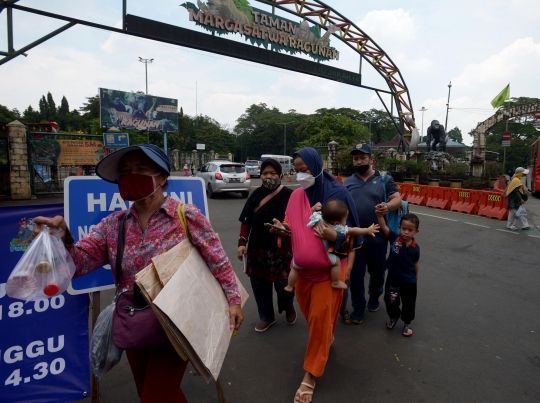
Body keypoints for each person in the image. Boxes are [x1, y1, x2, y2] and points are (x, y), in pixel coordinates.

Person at [33, 144, 244, 403]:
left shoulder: (186, 216)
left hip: (177, 324)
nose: (132, 175)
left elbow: (218, 260)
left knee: (154, 397)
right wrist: (62, 238)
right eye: (126, 171)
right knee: (149, 392)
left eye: (141, 169)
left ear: (163, 177)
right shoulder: (113, 224)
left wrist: (233, 301)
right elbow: (79, 263)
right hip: (134, 322)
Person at [272, 147, 362, 403]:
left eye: (305, 170)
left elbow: (352, 234)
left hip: (329, 270)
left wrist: (336, 236)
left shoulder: (338, 194)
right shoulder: (296, 196)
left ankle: (310, 374)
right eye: (297, 170)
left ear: (317, 166)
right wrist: (283, 228)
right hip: (301, 269)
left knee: (320, 319)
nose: (300, 175)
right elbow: (293, 223)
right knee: (312, 315)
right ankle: (324, 339)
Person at [341, 143, 402, 325]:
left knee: (377, 272)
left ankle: (374, 296)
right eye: (355, 158)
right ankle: (358, 308)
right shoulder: (348, 182)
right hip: (355, 237)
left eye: (363, 157)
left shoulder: (384, 178)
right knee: (356, 275)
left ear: (371, 159)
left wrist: (387, 206)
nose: (359, 161)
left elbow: (397, 199)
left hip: (378, 237)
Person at [236, 158, 296, 332]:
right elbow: (246, 221)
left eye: (272, 173)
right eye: (265, 173)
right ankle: (266, 317)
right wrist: (242, 243)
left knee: (284, 286)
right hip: (257, 250)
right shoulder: (255, 195)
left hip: (283, 250)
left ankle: (288, 306)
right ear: (260, 175)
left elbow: (298, 221)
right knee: (260, 286)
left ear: (280, 175)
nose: (268, 176)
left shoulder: (290, 195)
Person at [285, 199, 379, 292]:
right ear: (336, 222)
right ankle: (335, 282)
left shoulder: (317, 217)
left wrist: (313, 208)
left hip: (300, 254)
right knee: (336, 262)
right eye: (345, 219)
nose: (346, 221)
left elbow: (305, 215)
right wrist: (367, 230)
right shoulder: (337, 228)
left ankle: (289, 286)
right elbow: (353, 230)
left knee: (295, 269)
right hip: (317, 255)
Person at [376, 212, 420, 337]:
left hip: (409, 282)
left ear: (416, 231)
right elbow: (384, 228)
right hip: (393, 279)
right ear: (399, 228)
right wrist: (380, 216)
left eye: (410, 230)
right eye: (404, 228)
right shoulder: (395, 239)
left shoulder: (415, 248)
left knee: (409, 302)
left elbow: (416, 263)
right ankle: (394, 316)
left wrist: (416, 277)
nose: (406, 232)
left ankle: (407, 323)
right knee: (391, 299)